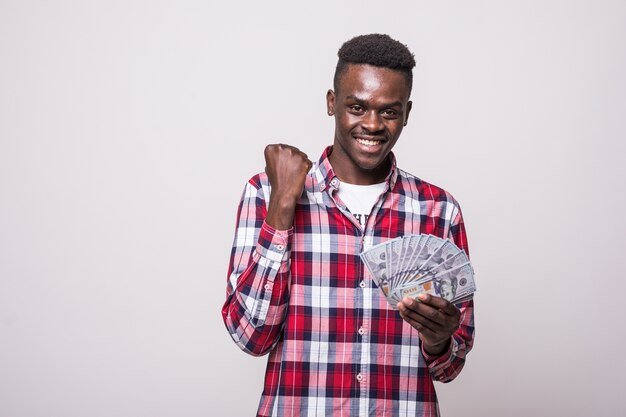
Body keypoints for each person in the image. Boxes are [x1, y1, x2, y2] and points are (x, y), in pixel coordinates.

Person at [222, 33, 475, 417]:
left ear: (407, 112)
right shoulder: (265, 192)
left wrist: (439, 341)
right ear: (331, 103)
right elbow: (250, 336)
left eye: (389, 111)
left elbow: (449, 367)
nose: (372, 124)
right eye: (357, 107)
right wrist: (282, 208)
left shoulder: (439, 211)